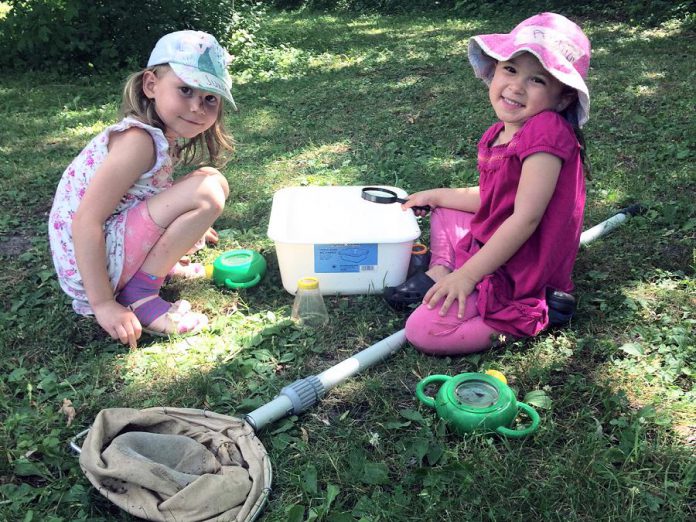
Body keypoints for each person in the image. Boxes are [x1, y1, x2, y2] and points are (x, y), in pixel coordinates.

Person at [384, 12, 591, 355]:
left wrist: (469, 276)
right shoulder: (499, 133)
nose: (516, 86)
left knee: (423, 330)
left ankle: (535, 316)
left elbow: (525, 218)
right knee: (445, 209)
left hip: (523, 260)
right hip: (501, 236)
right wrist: (436, 195)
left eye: (537, 80)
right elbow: (495, 199)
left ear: (563, 97)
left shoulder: (547, 131)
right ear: (494, 69)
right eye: (511, 69)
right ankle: (441, 270)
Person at [49, 30, 236, 348]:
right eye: (185, 90)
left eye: (210, 98)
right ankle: (139, 293)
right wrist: (104, 304)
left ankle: (155, 267)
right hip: (91, 269)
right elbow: (86, 222)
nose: (196, 107)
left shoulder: (158, 135)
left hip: (106, 247)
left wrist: (188, 228)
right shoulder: (138, 142)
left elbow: (144, 195)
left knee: (209, 177)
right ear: (151, 85)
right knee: (207, 192)